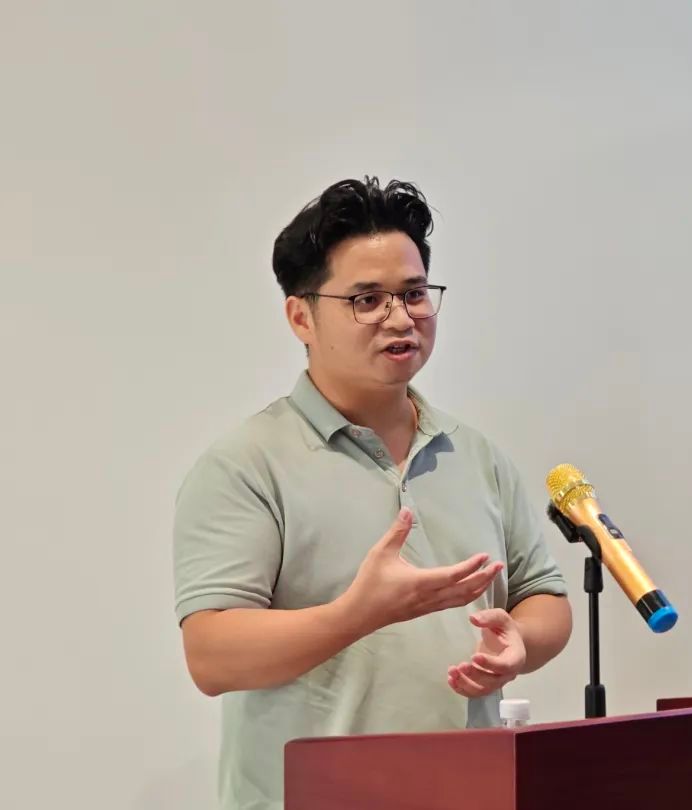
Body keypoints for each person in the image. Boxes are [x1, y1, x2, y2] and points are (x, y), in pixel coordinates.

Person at [172, 177, 573, 810]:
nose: (401, 318)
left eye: (414, 293)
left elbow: (543, 597)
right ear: (301, 316)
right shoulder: (245, 464)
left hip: (469, 794)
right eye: (366, 300)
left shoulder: (474, 455)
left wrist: (520, 645)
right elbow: (213, 657)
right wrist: (359, 613)